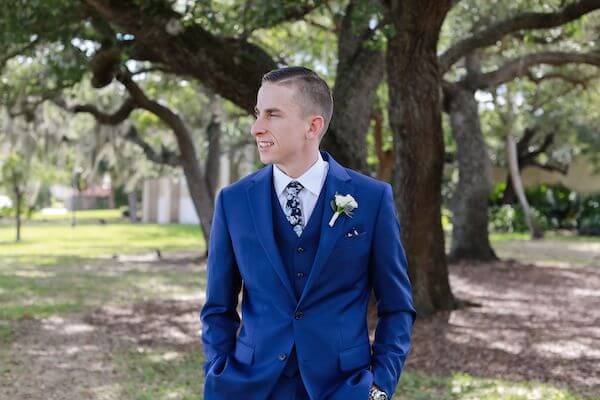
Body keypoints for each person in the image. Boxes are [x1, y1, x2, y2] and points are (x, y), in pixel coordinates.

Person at [200, 66, 416, 400]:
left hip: (344, 388)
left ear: (312, 126)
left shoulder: (372, 199)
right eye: (258, 114)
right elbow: (217, 308)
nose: (256, 127)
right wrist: (219, 371)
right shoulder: (233, 202)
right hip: (251, 387)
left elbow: (397, 305)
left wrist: (379, 386)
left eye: (272, 114)